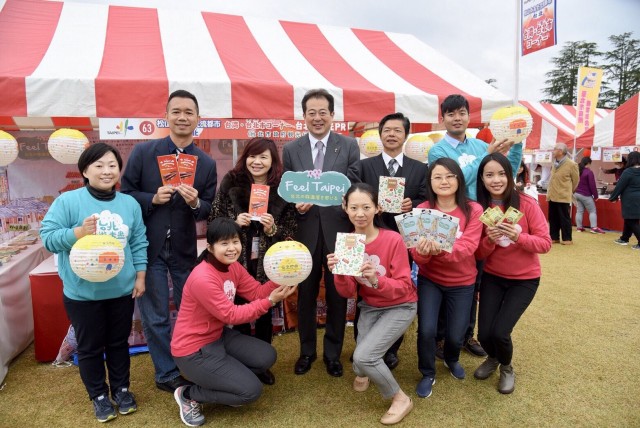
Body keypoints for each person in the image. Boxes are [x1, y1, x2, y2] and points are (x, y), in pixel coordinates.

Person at [40, 143, 148, 422]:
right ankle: (99, 396)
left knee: (118, 344)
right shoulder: (68, 202)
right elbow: (49, 238)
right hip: (82, 293)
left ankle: (122, 390)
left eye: (112, 165)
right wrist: (77, 232)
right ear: (85, 170)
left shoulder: (129, 204)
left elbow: (138, 241)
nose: (106, 171)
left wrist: (140, 275)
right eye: (98, 165)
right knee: (89, 347)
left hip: (121, 290)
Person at [121, 89, 218, 393]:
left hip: (185, 248)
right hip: (147, 247)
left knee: (194, 311)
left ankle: (194, 363)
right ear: (166, 115)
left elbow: (208, 208)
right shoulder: (143, 152)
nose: (182, 117)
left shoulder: (206, 162)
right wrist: (152, 198)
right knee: (156, 314)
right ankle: (165, 372)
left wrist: (193, 203)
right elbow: (125, 194)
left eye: (189, 112)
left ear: (198, 119)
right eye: (176, 111)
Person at [171, 218, 296, 427]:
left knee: (266, 356)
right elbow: (231, 316)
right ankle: (189, 394)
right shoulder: (203, 277)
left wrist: (282, 277)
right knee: (251, 391)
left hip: (218, 336)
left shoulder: (233, 267)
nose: (232, 248)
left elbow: (256, 292)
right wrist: (270, 301)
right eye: (224, 243)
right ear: (210, 247)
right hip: (193, 351)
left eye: (235, 241)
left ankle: (228, 379)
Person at [427, 94, 522, 359]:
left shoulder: (481, 145)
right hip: (449, 218)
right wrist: (486, 157)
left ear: (469, 116)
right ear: (442, 118)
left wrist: (517, 143)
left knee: (473, 278)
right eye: (451, 114)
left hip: (479, 218)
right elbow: (451, 180)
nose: (457, 118)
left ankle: (466, 334)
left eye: (461, 113)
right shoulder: (438, 150)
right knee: (442, 274)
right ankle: (440, 337)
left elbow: (504, 171)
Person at [282, 88, 360, 378]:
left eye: (322, 112)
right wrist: (297, 206)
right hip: (305, 232)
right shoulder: (291, 150)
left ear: (332, 114)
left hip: (339, 230)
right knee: (306, 295)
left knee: (338, 294)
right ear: (303, 116)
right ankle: (306, 352)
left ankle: (332, 354)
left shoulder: (349, 145)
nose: (317, 117)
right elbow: (289, 190)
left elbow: (353, 184)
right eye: (311, 112)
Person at [208, 137, 297, 385]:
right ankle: (243, 363)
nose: (256, 162)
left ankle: (262, 363)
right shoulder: (231, 182)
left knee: (266, 309)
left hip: (269, 261)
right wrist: (235, 224)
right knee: (239, 310)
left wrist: (271, 229)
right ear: (245, 157)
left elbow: (291, 233)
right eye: (252, 156)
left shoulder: (283, 188)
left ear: (273, 161)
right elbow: (214, 219)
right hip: (237, 259)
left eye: (263, 157)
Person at [328, 183, 417, 425]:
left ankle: (400, 398)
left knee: (365, 357)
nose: (360, 213)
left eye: (366, 207)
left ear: (378, 208)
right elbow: (347, 292)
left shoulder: (393, 240)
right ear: (345, 208)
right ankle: (364, 372)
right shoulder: (348, 244)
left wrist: (377, 280)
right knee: (359, 363)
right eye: (354, 207)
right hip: (370, 306)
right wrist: (338, 272)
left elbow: (405, 286)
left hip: (401, 305)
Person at [473, 153, 552, 394]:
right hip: (493, 277)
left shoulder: (526, 204)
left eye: (500, 173)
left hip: (524, 280)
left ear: (511, 175)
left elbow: (545, 243)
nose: (495, 180)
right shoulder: (479, 208)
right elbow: (478, 253)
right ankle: (493, 358)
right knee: (484, 333)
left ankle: (506, 367)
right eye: (489, 175)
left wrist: (519, 237)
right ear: (482, 179)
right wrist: (489, 240)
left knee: (500, 331)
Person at [356, 112, 427, 370]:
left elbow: (426, 200)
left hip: (402, 242)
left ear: (405, 136)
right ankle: (364, 342)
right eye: (387, 130)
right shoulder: (364, 166)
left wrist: (413, 203)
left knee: (396, 290)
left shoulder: (419, 168)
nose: (392, 134)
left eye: (398, 130)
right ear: (380, 134)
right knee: (366, 287)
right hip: (369, 238)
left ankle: (390, 348)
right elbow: (356, 198)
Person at [411, 158, 484, 399]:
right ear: (430, 182)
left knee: (456, 334)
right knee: (427, 330)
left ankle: (452, 359)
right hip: (430, 280)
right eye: (438, 177)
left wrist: (439, 250)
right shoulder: (421, 210)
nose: (444, 181)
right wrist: (422, 253)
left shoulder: (474, 209)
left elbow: (468, 247)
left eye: (450, 176)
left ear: (459, 179)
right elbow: (417, 257)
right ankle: (427, 372)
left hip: (463, 282)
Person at [546, 143, 579, 245]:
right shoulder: (554, 163)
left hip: (563, 196)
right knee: (553, 217)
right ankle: (554, 237)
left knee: (564, 218)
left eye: (554, 149)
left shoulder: (572, 164)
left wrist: (568, 191)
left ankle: (567, 238)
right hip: (552, 195)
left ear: (560, 151)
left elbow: (576, 181)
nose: (553, 151)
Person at [609, 151, 640, 250]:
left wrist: (613, 197)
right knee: (630, 219)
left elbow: (620, 186)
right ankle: (624, 238)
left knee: (631, 220)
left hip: (629, 199)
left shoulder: (628, 171)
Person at [574, 157, 605, 234]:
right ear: (588, 163)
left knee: (579, 211)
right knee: (592, 211)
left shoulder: (577, 170)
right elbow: (592, 185)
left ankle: (579, 227)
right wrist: (596, 196)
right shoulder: (589, 172)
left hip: (576, 193)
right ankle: (594, 228)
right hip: (585, 194)